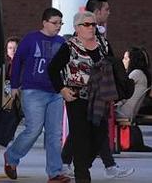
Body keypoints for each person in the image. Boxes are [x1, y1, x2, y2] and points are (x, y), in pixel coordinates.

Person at [61, 0, 133, 179]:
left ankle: (69, 163)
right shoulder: (78, 41)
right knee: (89, 129)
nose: (109, 13)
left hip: (98, 93)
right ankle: (98, 166)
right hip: (83, 93)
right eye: (106, 9)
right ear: (97, 11)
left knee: (91, 130)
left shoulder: (100, 39)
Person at [49, 11, 123, 183]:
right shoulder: (69, 46)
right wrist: (62, 89)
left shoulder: (103, 44)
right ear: (77, 27)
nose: (91, 28)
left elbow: (113, 66)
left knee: (99, 136)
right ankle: (82, 174)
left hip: (100, 98)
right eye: (87, 24)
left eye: (94, 24)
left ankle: (81, 165)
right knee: (80, 137)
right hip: (76, 98)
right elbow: (52, 69)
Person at [3, 8, 70, 183]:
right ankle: (11, 157)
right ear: (45, 22)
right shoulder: (31, 39)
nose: (58, 26)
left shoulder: (62, 42)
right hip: (33, 91)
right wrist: (15, 85)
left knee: (55, 134)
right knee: (33, 129)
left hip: (55, 92)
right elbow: (17, 61)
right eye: (55, 23)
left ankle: (55, 173)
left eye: (60, 23)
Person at [116, 47, 151, 119]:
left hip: (123, 112)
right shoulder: (141, 74)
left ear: (133, 60)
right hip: (126, 112)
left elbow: (123, 88)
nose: (122, 61)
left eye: (125, 59)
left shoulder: (137, 73)